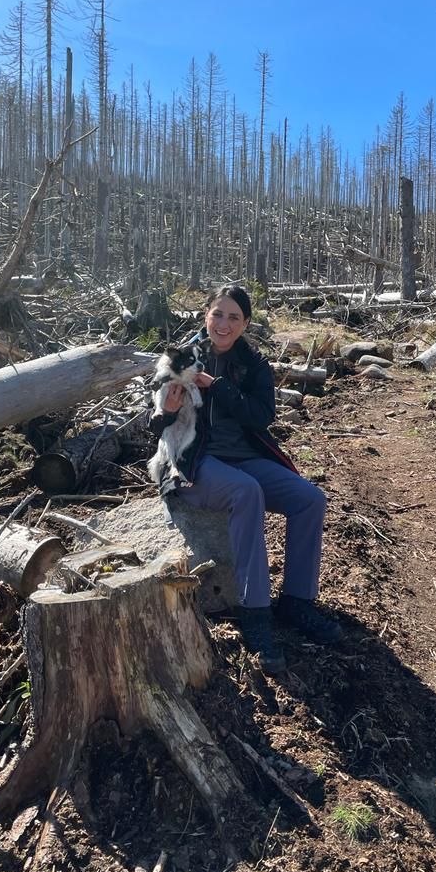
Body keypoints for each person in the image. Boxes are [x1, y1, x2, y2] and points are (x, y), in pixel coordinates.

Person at [149, 284, 340, 675]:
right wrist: (166, 411)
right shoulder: (182, 356)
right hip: (194, 463)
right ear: (206, 316)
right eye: (218, 314)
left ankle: (297, 601)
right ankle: (256, 614)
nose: (224, 324)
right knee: (246, 492)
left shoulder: (253, 364)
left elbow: (261, 416)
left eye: (234, 317)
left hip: (247, 457)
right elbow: (153, 422)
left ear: (246, 323)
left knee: (309, 499)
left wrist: (218, 388)